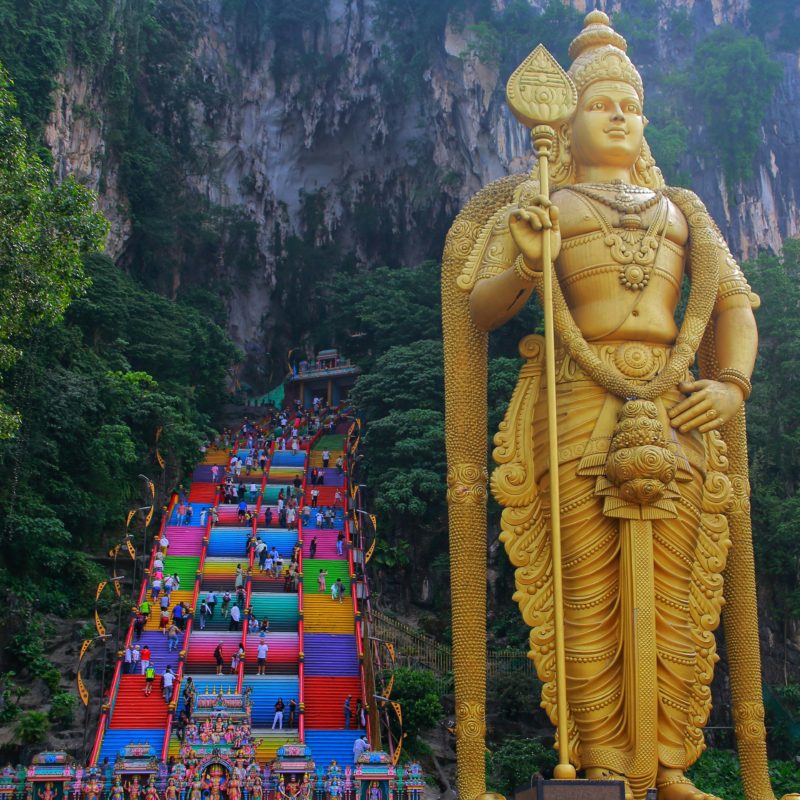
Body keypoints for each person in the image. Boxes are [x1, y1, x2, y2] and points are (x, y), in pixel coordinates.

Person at [445, 11, 764, 799]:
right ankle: (601, 766)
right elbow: (479, 308)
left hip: (676, 402)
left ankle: (672, 764)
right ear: (567, 120)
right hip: (574, 401)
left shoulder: (683, 209)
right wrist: (525, 259)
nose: (620, 116)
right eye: (602, 105)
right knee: (583, 594)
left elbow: (735, 308)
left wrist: (731, 385)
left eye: (630, 105)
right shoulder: (540, 201)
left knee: (681, 587)